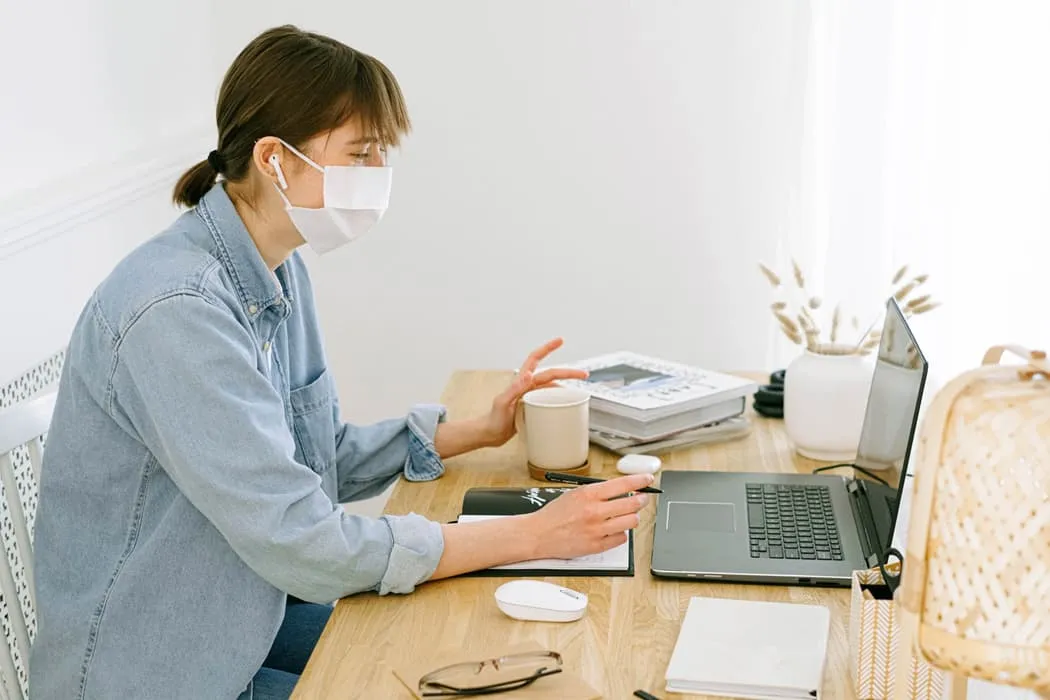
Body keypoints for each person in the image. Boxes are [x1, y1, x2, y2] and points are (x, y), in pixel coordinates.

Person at [28, 24, 652, 700]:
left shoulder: (278, 270)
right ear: (274, 159)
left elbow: (312, 456)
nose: (377, 175)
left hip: (247, 620)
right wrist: (527, 537)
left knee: (457, 650)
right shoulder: (179, 310)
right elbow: (304, 541)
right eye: (361, 153)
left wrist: (474, 430)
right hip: (160, 673)